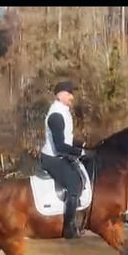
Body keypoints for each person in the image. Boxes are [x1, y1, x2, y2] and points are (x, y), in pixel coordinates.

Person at [40, 79, 87, 239]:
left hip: (61, 154)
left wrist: (85, 146)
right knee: (74, 183)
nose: (72, 97)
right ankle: (68, 227)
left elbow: (67, 139)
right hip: (53, 158)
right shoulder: (56, 116)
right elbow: (60, 146)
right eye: (69, 94)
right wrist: (79, 153)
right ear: (60, 95)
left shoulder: (64, 112)